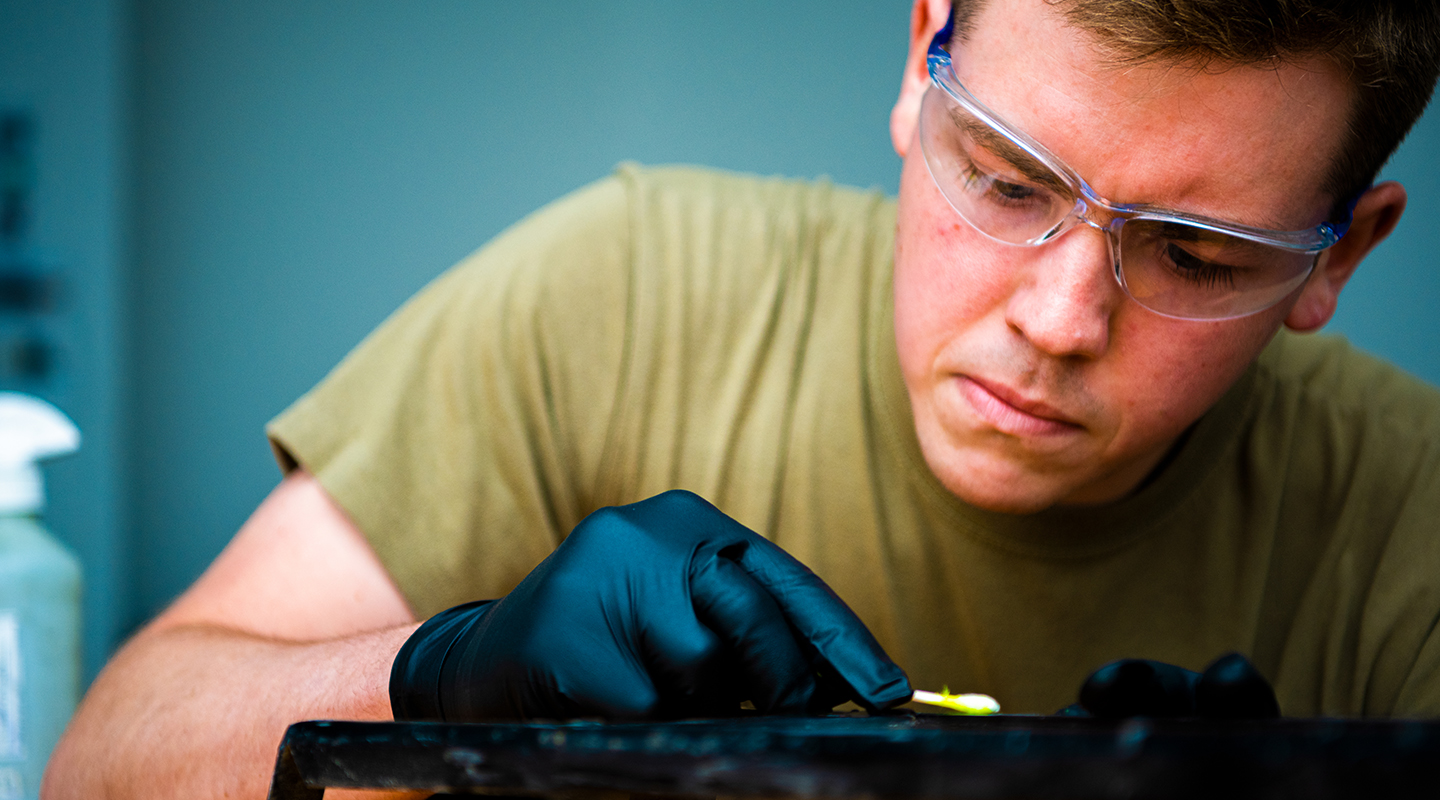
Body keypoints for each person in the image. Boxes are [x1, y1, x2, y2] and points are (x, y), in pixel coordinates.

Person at [43, 0, 1440, 797]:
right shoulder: (628, 289)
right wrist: (438, 672)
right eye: (1008, 181)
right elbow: (102, 765)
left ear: (1342, 255)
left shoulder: (1407, 517)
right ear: (918, 63)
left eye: (1196, 255)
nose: (1059, 321)